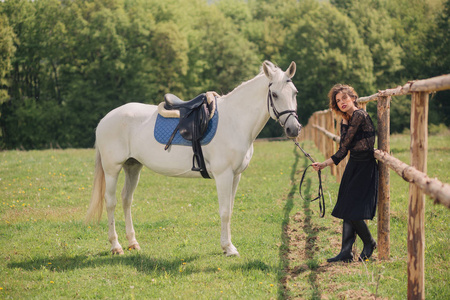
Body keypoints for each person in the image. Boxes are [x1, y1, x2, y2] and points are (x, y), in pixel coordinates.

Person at [312, 84, 378, 262]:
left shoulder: (358, 115)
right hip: (354, 163)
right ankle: (346, 251)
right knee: (346, 205)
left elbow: (345, 145)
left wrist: (345, 122)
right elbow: (343, 150)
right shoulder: (347, 119)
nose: (342, 102)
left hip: (364, 165)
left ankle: (369, 242)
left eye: (344, 98)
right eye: (338, 101)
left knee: (351, 207)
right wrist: (324, 164)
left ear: (353, 98)